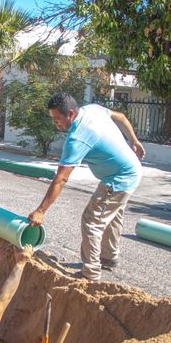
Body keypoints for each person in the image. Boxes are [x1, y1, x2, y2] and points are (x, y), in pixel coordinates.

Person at [28, 93, 145, 281]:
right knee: (111, 215)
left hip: (120, 177)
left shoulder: (77, 138)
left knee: (92, 220)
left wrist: (41, 210)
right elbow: (122, 117)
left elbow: (61, 179)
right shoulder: (93, 109)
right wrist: (134, 140)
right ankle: (109, 257)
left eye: (58, 118)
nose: (55, 123)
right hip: (130, 170)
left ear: (71, 114)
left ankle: (90, 273)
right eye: (53, 119)